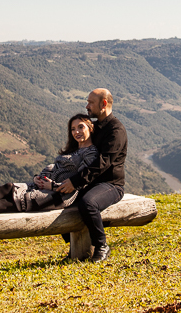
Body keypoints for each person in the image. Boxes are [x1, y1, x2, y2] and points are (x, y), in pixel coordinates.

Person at [0, 114, 97, 215]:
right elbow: (55, 169)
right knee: (9, 187)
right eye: (73, 129)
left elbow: (81, 180)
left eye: (80, 127)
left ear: (90, 127)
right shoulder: (72, 150)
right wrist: (38, 178)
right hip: (45, 186)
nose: (76, 132)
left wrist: (53, 187)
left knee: (11, 203)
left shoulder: (91, 153)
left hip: (60, 194)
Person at [55, 88, 127, 263]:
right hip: (92, 182)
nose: (87, 106)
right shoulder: (95, 126)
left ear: (103, 104)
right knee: (60, 199)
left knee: (88, 203)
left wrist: (75, 182)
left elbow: (102, 163)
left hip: (111, 185)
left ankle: (101, 245)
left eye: (90, 102)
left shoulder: (115, 130)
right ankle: (75, 246)